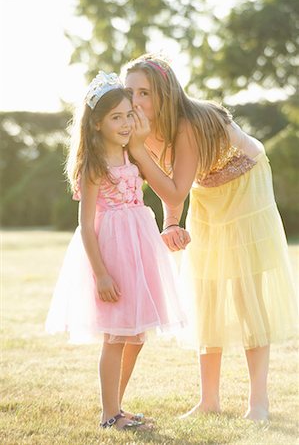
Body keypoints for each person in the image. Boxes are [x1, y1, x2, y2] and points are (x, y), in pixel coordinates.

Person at [124, 53, 298, 421]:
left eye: (145, 93)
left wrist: (140, 152)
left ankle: (258, 403)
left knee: (243, 290)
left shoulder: (186, 123)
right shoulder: (144, 130)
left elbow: (172, 187)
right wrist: (172, 223)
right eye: (131, 93)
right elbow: (172, 185)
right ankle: (209, 400)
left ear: (165, 94)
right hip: (207, 187)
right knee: (206, 289)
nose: (136, 102)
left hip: (245, 182)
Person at [45, 71, 186, 430]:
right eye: (116, 117)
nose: (125, 123)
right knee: (116, 336)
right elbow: (86, 225)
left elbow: (167, 186)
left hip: (139, 248)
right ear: (95, 124)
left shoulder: (132, 156)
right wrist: (101, 273)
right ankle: (109, 415)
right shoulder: (94, 166)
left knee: (136, 335)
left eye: (128, 114)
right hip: (112, 253)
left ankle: (118, 406)